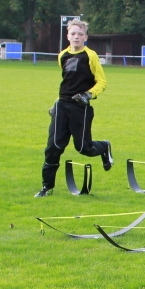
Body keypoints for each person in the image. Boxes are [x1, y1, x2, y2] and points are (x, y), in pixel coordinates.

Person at [35, 19, 114, 197]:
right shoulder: (62, 55)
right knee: (53, 147)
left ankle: (104, 147)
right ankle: (47, 187)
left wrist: (88, 95)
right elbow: (67, 83)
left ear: (85, 37)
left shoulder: (90, 55)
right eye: (73, 33)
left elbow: (102, 82)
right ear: (67, 36)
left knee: (84, 148)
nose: (76, 37)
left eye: (80, 34)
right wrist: (55, 103)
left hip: (81, 108)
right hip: (62, 105)